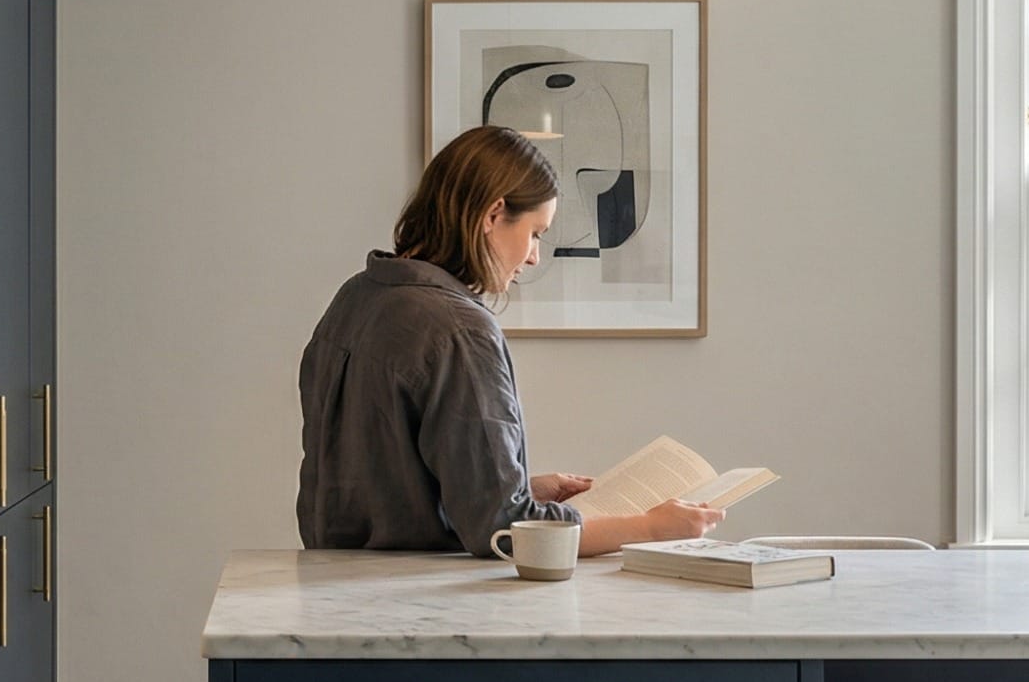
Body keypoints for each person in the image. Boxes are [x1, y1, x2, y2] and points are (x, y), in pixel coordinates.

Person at [296, 124, 722, 558]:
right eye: (535, 232)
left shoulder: (356, 295)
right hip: (420, 604)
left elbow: (384, 483)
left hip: (331, 585)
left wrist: (525, 488)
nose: (535, 256)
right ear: (493, 214)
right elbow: (502, 532)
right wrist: (649, 527)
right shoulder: (459, 331)